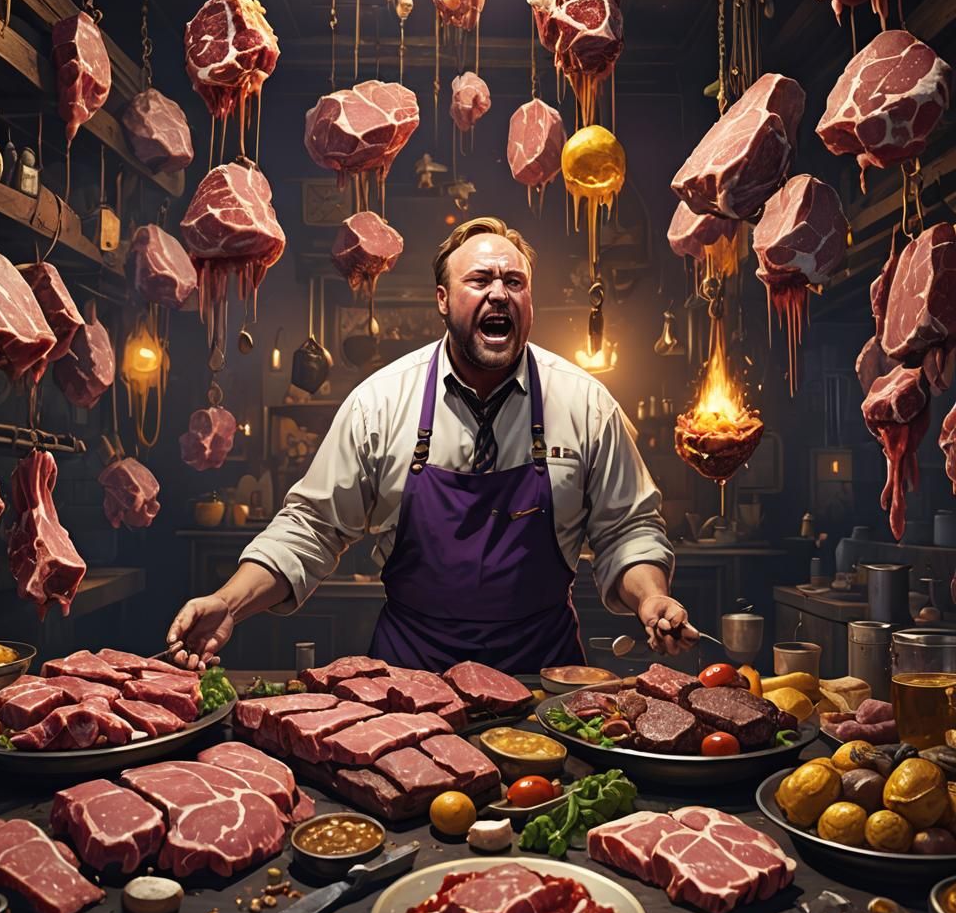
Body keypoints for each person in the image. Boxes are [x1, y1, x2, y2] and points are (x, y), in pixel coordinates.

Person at [167, 216, 698, 672]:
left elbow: (628, 529)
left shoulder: (585, 404)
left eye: (515, 281)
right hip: (411, 680)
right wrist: (228, 603)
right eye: (480, 279)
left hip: (545, 677)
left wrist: (651, 597)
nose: (499, 293)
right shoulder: (379, 403)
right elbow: (310, 528)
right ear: (442, 300)